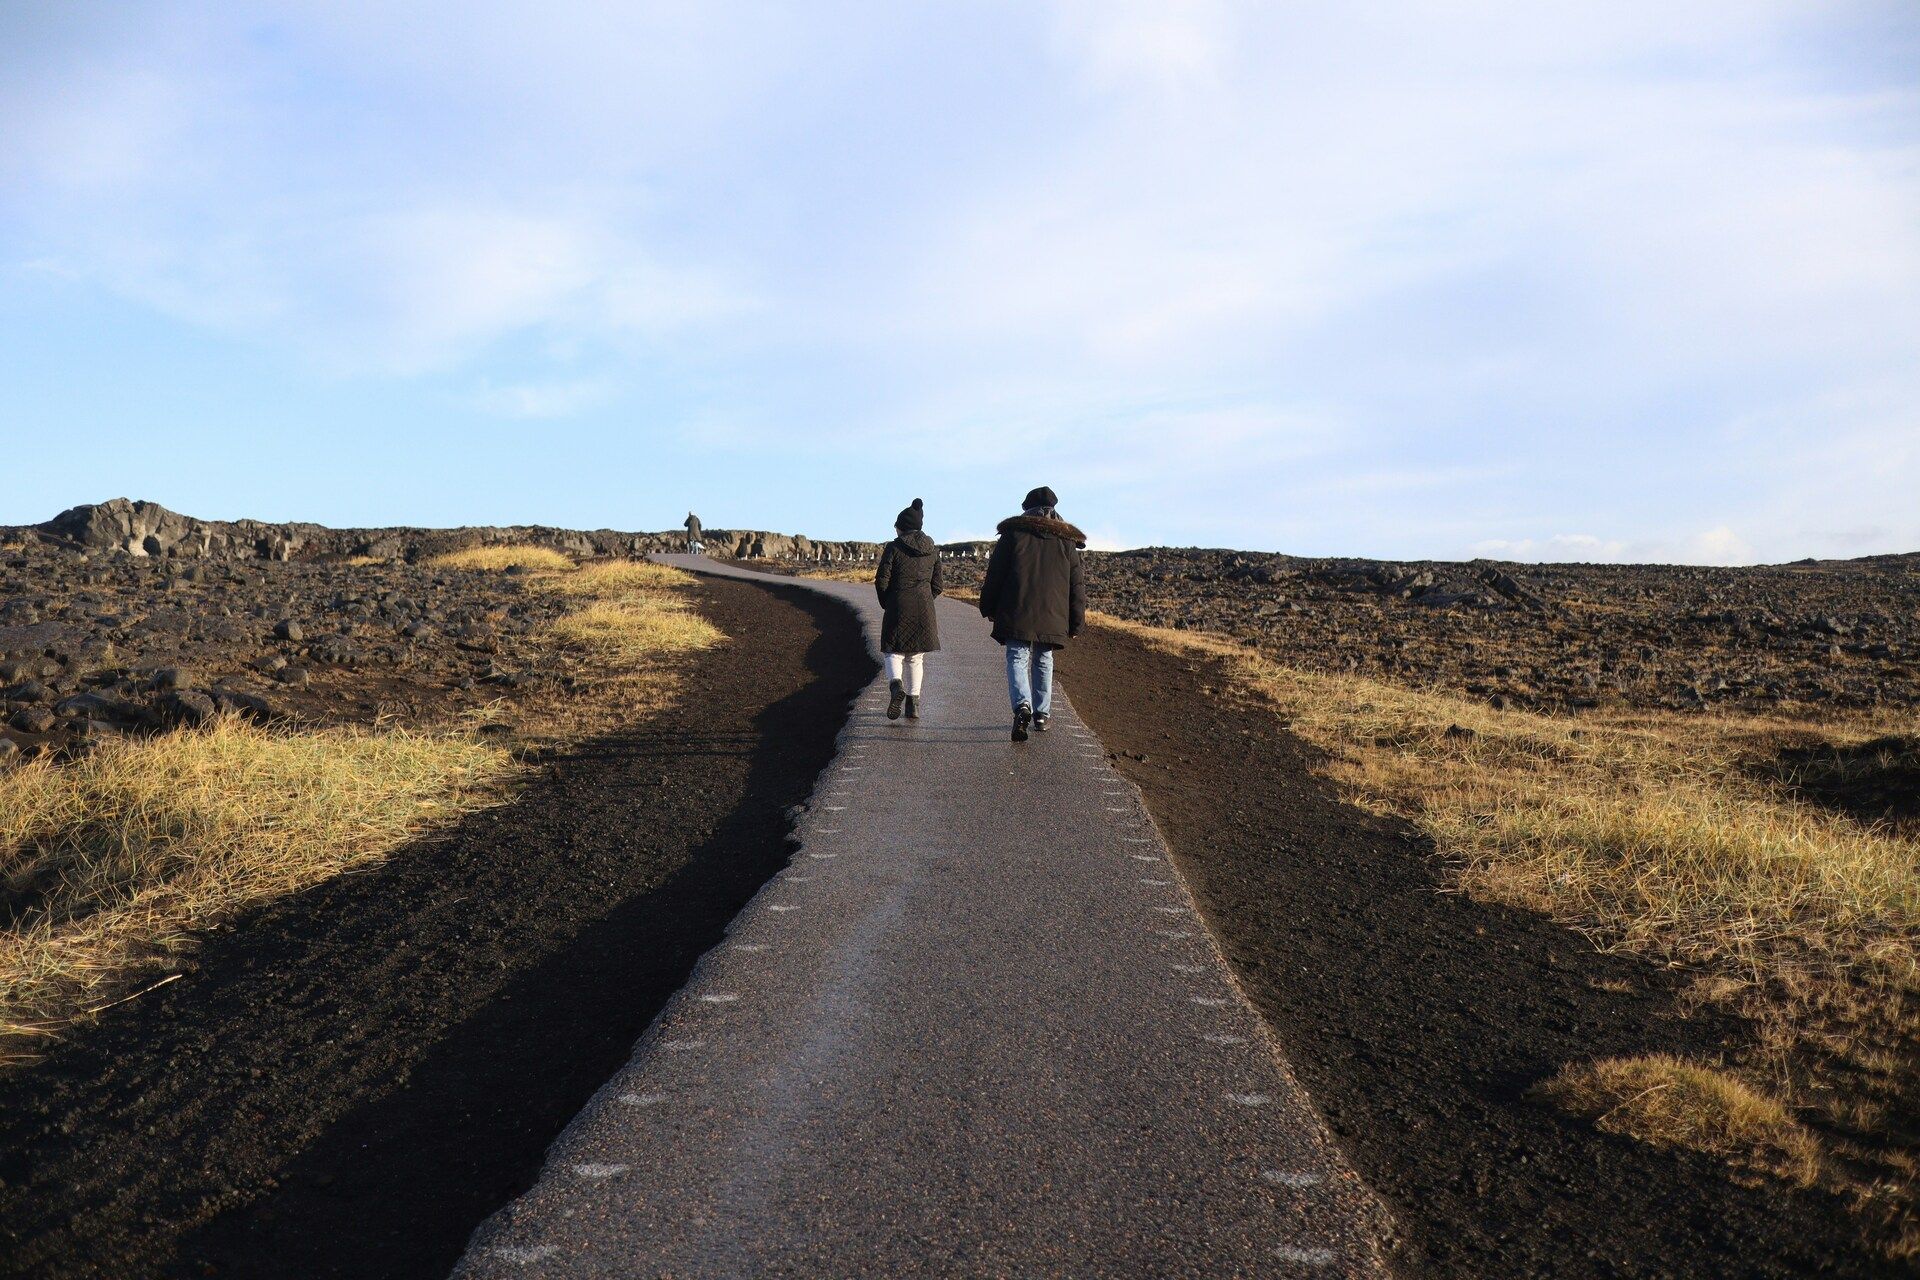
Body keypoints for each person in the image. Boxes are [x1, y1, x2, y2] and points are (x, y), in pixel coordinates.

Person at [977, 485, 1086, 742]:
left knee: (1017, 656)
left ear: (1026, 509)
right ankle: (1041, 714)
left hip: (1017, 608)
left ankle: (1022, 706)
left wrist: (988, 606)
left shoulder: (1013, 535)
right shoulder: (1066, 542)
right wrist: (1076, 622)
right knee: (1043, 659)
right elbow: (1076, 585)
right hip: (1052, 613)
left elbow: (995, 575)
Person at [874, 498, 943, 721]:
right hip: (923, 608)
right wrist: (925, 599)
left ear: (901, 527)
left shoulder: (894, 547)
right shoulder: (932, 549)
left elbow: (881, 579)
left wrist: (888, 601)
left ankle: (896, 687)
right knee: (915, 657)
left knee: (893, 651)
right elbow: (938, 585)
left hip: (898, 604)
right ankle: (913, 705)